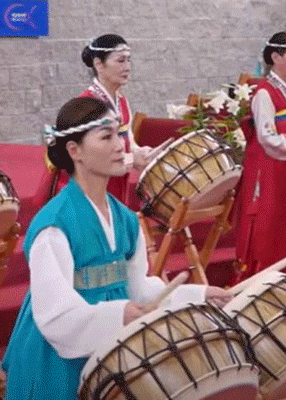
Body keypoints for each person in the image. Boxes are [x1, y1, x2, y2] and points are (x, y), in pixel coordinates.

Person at [2, 97, 232, 400]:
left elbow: (137, 291)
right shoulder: (53, 226)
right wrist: (120, 315)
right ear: (75, 151)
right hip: (55, 359)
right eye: (106, 137)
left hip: (111, 349)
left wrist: (197, 294)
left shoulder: (126, 220)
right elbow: (55, 316)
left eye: (119, 134)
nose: (119, 145)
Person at [232, 31, 286, 282]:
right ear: (275, 57)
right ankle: (257, 280)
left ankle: (285, 278)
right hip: (266, 167)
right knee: (265, 223)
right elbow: (267, 137)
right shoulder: (264, 93)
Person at [51, 33, 165, 204]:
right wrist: (133, 160)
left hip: (116, 182)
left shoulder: (122, 101)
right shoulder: (86, 105)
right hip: (87, 190)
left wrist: (141, 153)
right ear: (98, 64)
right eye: (120, 61)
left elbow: (128, 142)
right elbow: (94, 157)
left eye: (128, 60)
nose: (127, 67)